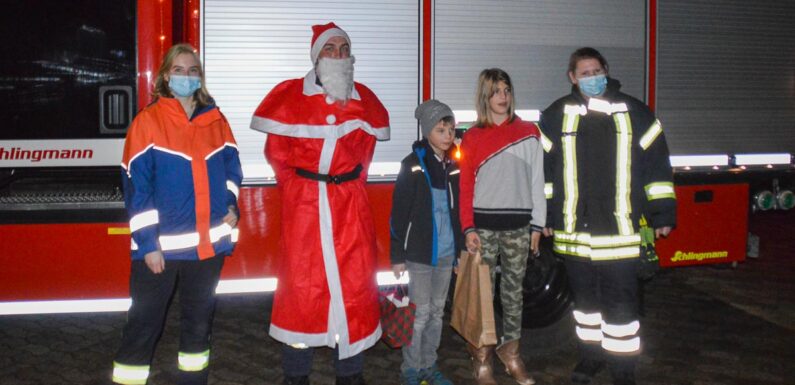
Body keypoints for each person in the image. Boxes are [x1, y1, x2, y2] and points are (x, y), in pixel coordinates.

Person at [250, 22, 390, 385]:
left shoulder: (364, 100)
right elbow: (277, 152)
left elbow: (365, 153)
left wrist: (350, 187)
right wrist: (299, 190)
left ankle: (350, 373)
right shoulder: (290, 95)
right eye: (331, 48)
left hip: (349, 207)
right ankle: (296, 375)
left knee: (355, 288)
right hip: (306, 208)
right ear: (317, 56)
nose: (339, 54)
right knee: (302, 291)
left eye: (344, 48)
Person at [539, 47, 677, 385]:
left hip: (621, 234)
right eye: (584, 73)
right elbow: (544, 173)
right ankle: (590, 359)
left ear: (607, 71)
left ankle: (623, 371)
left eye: (596, 70)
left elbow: (658, 168)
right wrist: (543, 215)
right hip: (574, 236)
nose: (591, 78)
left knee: (621, 312)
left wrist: (663, 213)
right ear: (572, 77)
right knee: (585, 309)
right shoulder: (556, 115)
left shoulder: (637, 113)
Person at [112, 43, 243, 385]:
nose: (187, 76)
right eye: (179, 70)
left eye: (193, 70)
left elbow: (232, 171)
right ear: (165, 77)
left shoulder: (216, 120)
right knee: (144, 325)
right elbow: (137, 189)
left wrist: (232, 206)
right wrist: (147, 244)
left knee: (199, 325)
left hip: (207, 248)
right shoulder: (148, 122)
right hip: (160, 251)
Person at [458, 68, 546, 385]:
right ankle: (481, 358)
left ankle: (511, 353)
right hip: (483, 228)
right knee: (482, 296)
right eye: (496, 91)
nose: (503, 96)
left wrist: (538, 224)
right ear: (485, 95)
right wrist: (468, 228)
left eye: (507, 89)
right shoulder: (472, 136)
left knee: (512, 295)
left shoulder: (529, 132)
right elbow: (465, 186)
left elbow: (538, 181)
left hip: (519, 227)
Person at [389, 100, 462, 385]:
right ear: (427, 130)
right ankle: (411, 368)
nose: (447, 135)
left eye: (451, 129)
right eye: (440, 129)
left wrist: (457, 253)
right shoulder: (413, 166)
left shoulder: (453, 165)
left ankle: (429, 365)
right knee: (418, 315)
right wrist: (397, 254)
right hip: (420, 254)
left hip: (445, 254)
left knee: (435, 312)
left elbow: (456, 212)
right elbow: (399, 213)